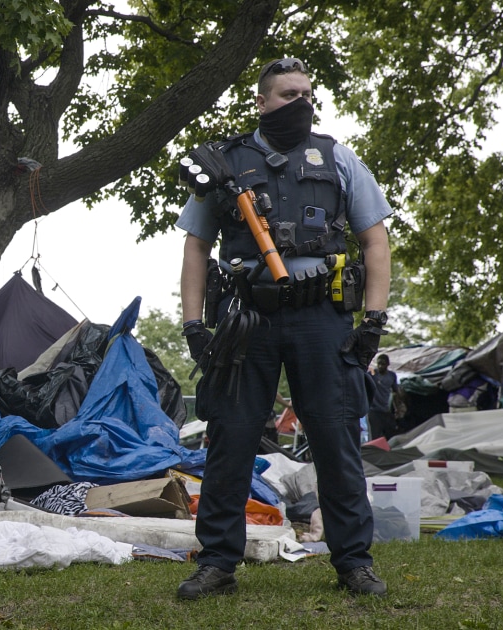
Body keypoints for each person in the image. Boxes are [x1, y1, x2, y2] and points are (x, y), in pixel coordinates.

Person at [176, 58, 393, 598]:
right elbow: (196, 249)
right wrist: (192, 324)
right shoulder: (224, 163)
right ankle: (218, 563)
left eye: (306, 92)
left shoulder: (338, 157)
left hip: (323, 319)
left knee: (336, 438)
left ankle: (353, 563)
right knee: (231, 436)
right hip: (246, 319)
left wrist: (375, 319)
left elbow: (376, 241)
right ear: (261, 102)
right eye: (288, 93)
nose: (300, 101)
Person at [367, 354, 400, 440]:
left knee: (390, 435)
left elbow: (395, 392)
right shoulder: (373, 374)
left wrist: (397, 408)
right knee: (375, 435)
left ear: (388, 364)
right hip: (373, 410)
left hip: (386, 410)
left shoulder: (392, 375)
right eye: (379, 364)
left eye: (383, 364)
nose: (380, 366)